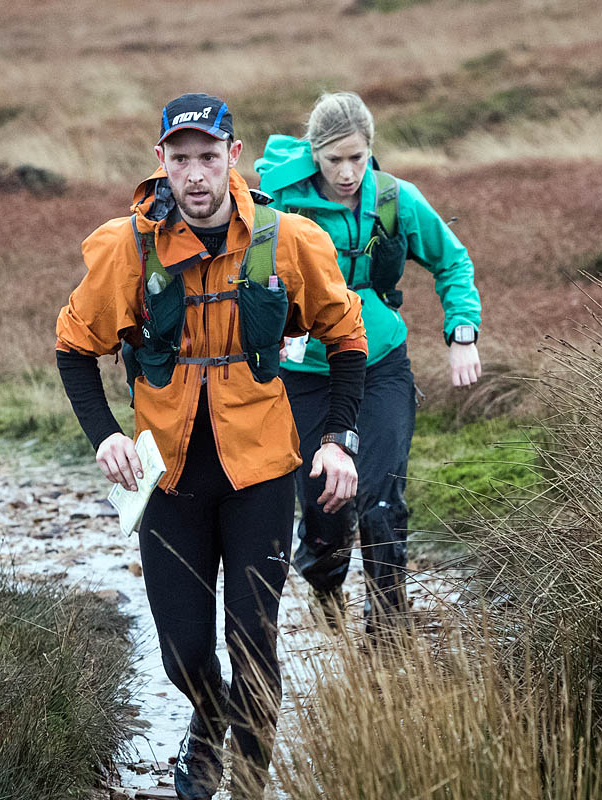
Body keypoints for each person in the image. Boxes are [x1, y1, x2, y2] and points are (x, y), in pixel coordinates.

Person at [54, 93, 368, 800]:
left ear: (234, 156)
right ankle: (208, 717)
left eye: (208, 156)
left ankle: (249, 783)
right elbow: (73, 347)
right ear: (160, 160)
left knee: (253, 642)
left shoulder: (287, 240)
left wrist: (337, 440)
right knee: (184, 654)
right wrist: (106, 435)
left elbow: (347, 336)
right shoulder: (127, 247)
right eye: (181, 158)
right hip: (168, 480)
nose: (195, 174)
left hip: (261, 471)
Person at [255, 91, 482, 634]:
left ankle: (387, 630)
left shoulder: (396, 199)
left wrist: (462, 332)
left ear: (370, 149)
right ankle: (323, 580)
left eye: (357, 157)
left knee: (381, 500)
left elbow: (452, 262)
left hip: (381, 365)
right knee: (326, 511)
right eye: (333, 159)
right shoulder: (275, 204)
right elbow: (244, 277)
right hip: (306, 376)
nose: (347, 172)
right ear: (313, 153)